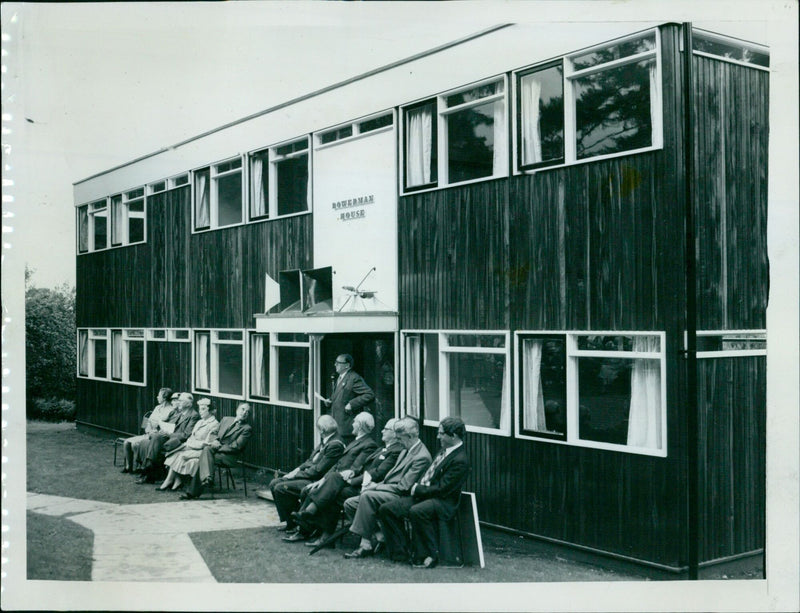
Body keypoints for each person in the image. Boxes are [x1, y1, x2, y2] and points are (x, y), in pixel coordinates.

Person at [295, 417, 404, 548]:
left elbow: (378, 473)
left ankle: (314, 520)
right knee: (334, 487)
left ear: (394, 433)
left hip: (369, 487)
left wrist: (352, 479)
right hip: (359, 482)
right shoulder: (382, 448)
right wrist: (353, 472)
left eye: (385, 429)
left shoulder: (395, 450)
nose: (381, 431)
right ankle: (319, 527)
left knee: (334, 487)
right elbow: (362, 466)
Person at [377, 416, 470, 567]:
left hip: (444, 502)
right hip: (428, 496)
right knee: (387, 509)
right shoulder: (444, 450)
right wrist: (418, 488)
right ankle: (401, 553)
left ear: (453, 436)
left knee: (417, 511)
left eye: (441, 433)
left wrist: (418, 488)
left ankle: (428, 555)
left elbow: (443, 489)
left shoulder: (460, 459)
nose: (437, 436)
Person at [342, 417, 431, 559]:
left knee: (367, 496)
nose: (398, 441)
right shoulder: (405, 450)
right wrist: (376, 487)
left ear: (409, 436)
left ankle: (365, 544)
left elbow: (404, 487)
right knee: (350, 504)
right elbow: (390, 477)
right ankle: (380, 535)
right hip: (389, 490)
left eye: (400, 438)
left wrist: (375, 487)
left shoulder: (421, 457)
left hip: (402, 496)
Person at [284, 412, 378, 543]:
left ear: (361, 426)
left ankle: (309, 516)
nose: (352, 423)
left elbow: (357, 466)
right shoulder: (353, 442)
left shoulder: (369, 444)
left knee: (332, 492)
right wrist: (322, 480)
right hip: (336, 480)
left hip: (349, 482)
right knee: (314, 489)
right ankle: (309, 524)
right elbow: (337, 465)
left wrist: (349, 472)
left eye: (355, 421)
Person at [265, 415, 345, 534]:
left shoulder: (335, 445)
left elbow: (318, 470)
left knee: (280, 488)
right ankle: (291, 522)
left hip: (316, 481)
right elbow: (309, 461)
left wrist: (295, 475)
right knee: (274, 483)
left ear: (322, 430)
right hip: (308, 476)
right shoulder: (326, 441)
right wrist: (296, 470)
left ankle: (301, 523)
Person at [180, 402, 253, 500]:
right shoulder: (226, 419)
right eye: (243, 409)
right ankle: (206, 479)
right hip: (214, 452)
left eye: (247, 412)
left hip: (229, 456)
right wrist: (214, 440)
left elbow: (236, 446)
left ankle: (198, 486)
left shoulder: (246, 429)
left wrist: (218, 446)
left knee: (205, 455)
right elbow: (214, 432)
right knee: (206, 453)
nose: (244, 413)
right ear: (237, 410)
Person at [156, 398, 220, 492]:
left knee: (179, 455)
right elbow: (191, 437)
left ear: (211, 411)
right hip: (192, 447)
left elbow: (207, 444)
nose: (200, 411)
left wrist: (191, 445)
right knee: (174, 453)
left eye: (203, 409)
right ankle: (176, 481)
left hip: (201, 451)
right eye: (199, 409)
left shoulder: (215, 424)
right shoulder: (200, 422)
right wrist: (190, 443)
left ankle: (170, 481)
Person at [136, 392, 199, 484]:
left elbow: (186, 434)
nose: (178, 402)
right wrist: (160, 429)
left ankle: (148, 470)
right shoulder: (177, 412)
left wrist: (169, 434)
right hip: (167, 437)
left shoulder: (193, 415)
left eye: (181, 401)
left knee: (156, 438)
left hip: (178, 441)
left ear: (188, 404)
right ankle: (149, 470)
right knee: (145, 442)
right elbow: (166, 423)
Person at [320, 354, 375, 443]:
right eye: (335, 362)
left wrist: (352, 404)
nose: (335, 365)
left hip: (346, 428)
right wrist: (330, 401)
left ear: (347, 365)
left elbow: (369, 394)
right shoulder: (340, 378)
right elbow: (341, 396)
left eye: (338, 363)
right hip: (337, 425)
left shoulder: (354, 378)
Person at [120, 387, 174, 473]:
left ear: (164, 397)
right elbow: (148, 421)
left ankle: (140, 467)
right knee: (126, 442)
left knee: (135, 444)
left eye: (159, 395)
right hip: (149, 432)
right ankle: (128, 467)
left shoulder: (171, 410)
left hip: (156, 436)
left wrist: (154, 431)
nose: (157, 397)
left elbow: (166, 427)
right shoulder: (157, 408)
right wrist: (148, 429)